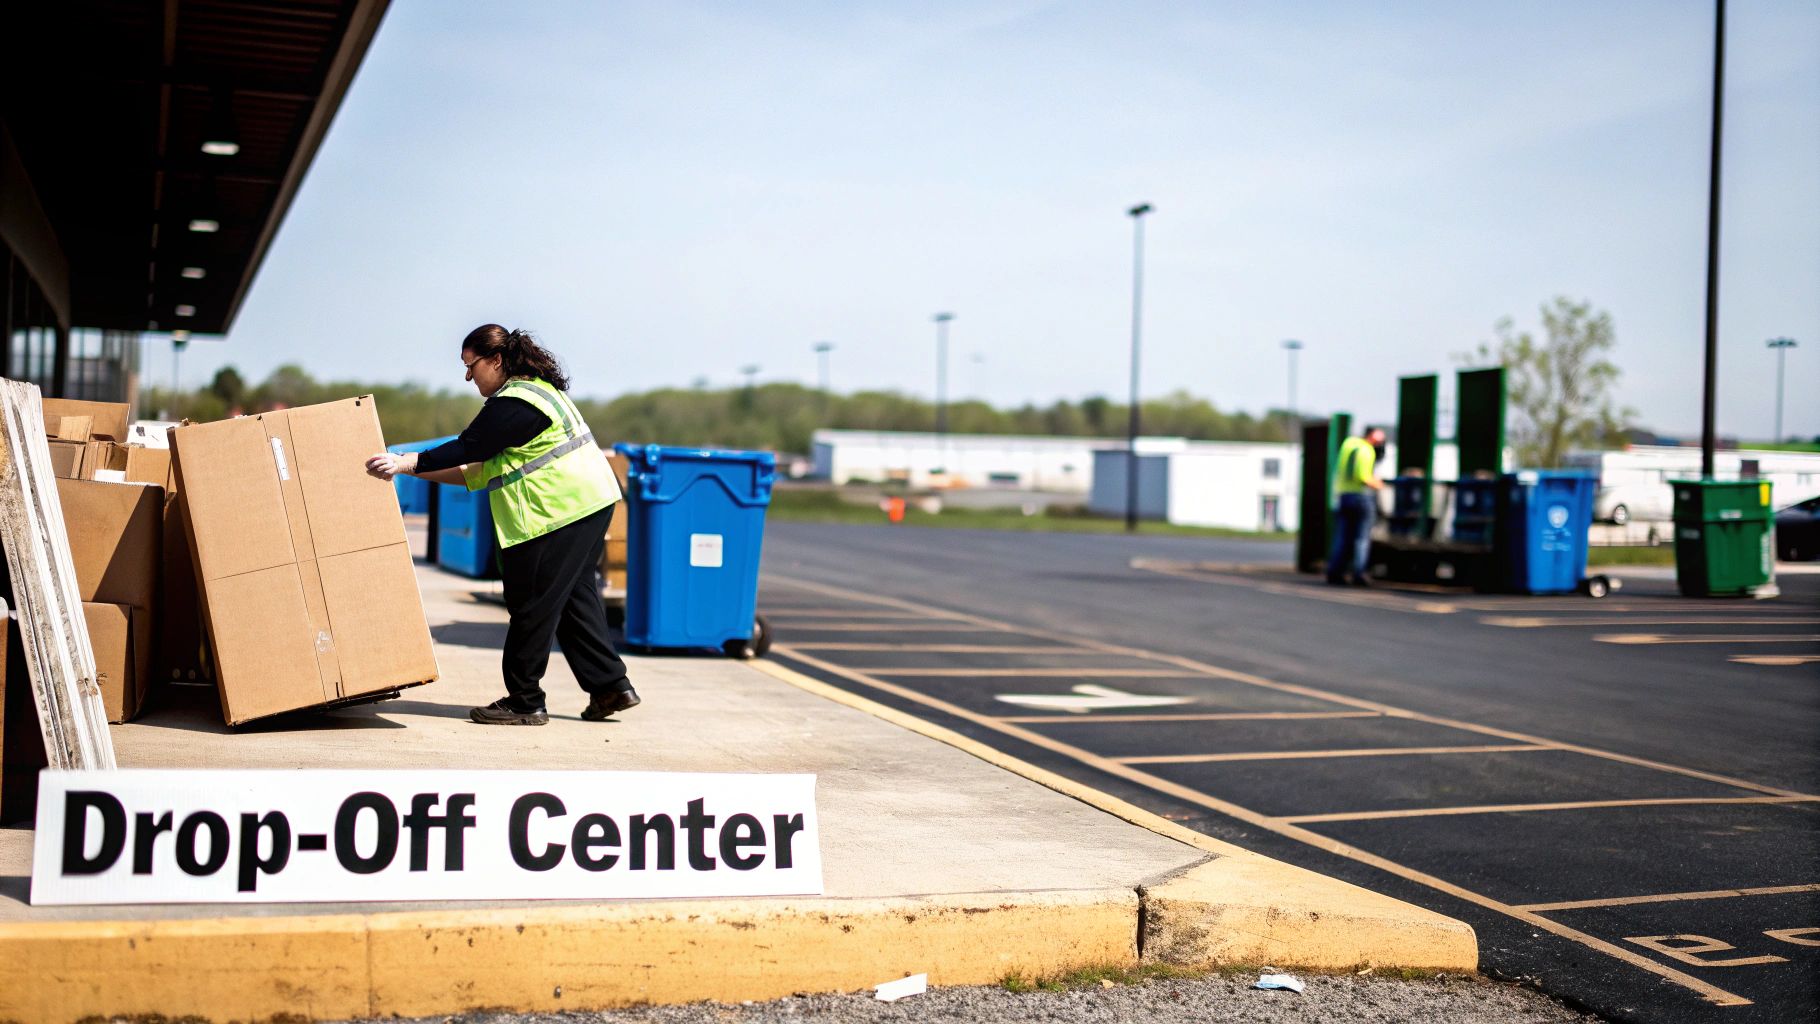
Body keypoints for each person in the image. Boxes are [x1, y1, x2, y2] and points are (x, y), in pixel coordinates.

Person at [366, 324, 638, 726]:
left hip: (559, 512)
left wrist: (407, 460)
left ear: (495, 360)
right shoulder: (536, 392)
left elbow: (468, 447)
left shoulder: (514, 403)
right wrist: (409, 471)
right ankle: (611, 687)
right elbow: (475, 470)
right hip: (588, 503)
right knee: (575, 601)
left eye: (470, 366)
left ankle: (525, 700)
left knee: (532, 603)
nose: (467, 376)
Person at [1326, 425, 1387, 586]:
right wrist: (1379, 484)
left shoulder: (1349, 444)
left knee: (1342, 537)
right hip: (1361, 497)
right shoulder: (1367, 450)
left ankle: (1334, 571)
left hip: (1344, 496)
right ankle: (1359, 573)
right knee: (1361, 539)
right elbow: (1363, 477)